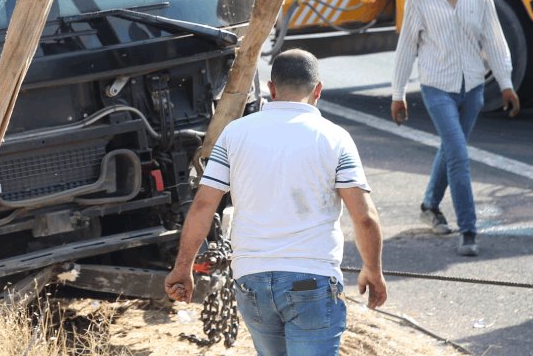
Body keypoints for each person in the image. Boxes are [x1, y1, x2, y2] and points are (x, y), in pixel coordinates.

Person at [165, 50, 386, 355]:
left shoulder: (234, 133)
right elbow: (364, 218)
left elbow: (203, 205)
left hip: (252, 282)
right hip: (312, 281)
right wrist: (373, 269)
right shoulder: (335, 138)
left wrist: (183, 267)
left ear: (271, 88)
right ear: (318, 90)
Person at [391, 0, 518, 257]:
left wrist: (506, 83)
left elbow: (495, 40)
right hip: (437, 88)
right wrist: (398, 93)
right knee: (459, 155)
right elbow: (407, 46)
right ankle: (469, 231)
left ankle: (430, 205)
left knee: (451, 148)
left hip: (473, 88)